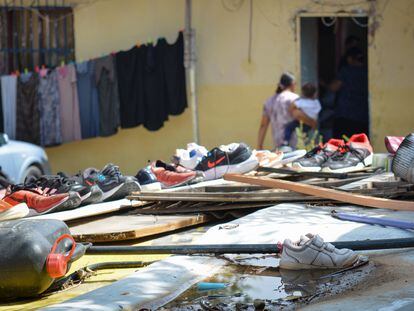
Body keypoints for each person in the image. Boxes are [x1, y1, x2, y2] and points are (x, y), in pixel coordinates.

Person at [257, 72, 317, 150]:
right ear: (292, 84)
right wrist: (313, 123)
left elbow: (263, 125)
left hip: (278, 144)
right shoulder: (294, 99)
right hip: (296, 144)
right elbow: (298, 115)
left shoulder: (269, 101)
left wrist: (259, 145)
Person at [333, 47, 369, 138]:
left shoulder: (346, 71)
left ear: (349, 59)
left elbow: (335, 87)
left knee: (343, 144)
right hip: (363, 115)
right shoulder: (367, 71)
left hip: (345, 115)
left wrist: (323, 84)